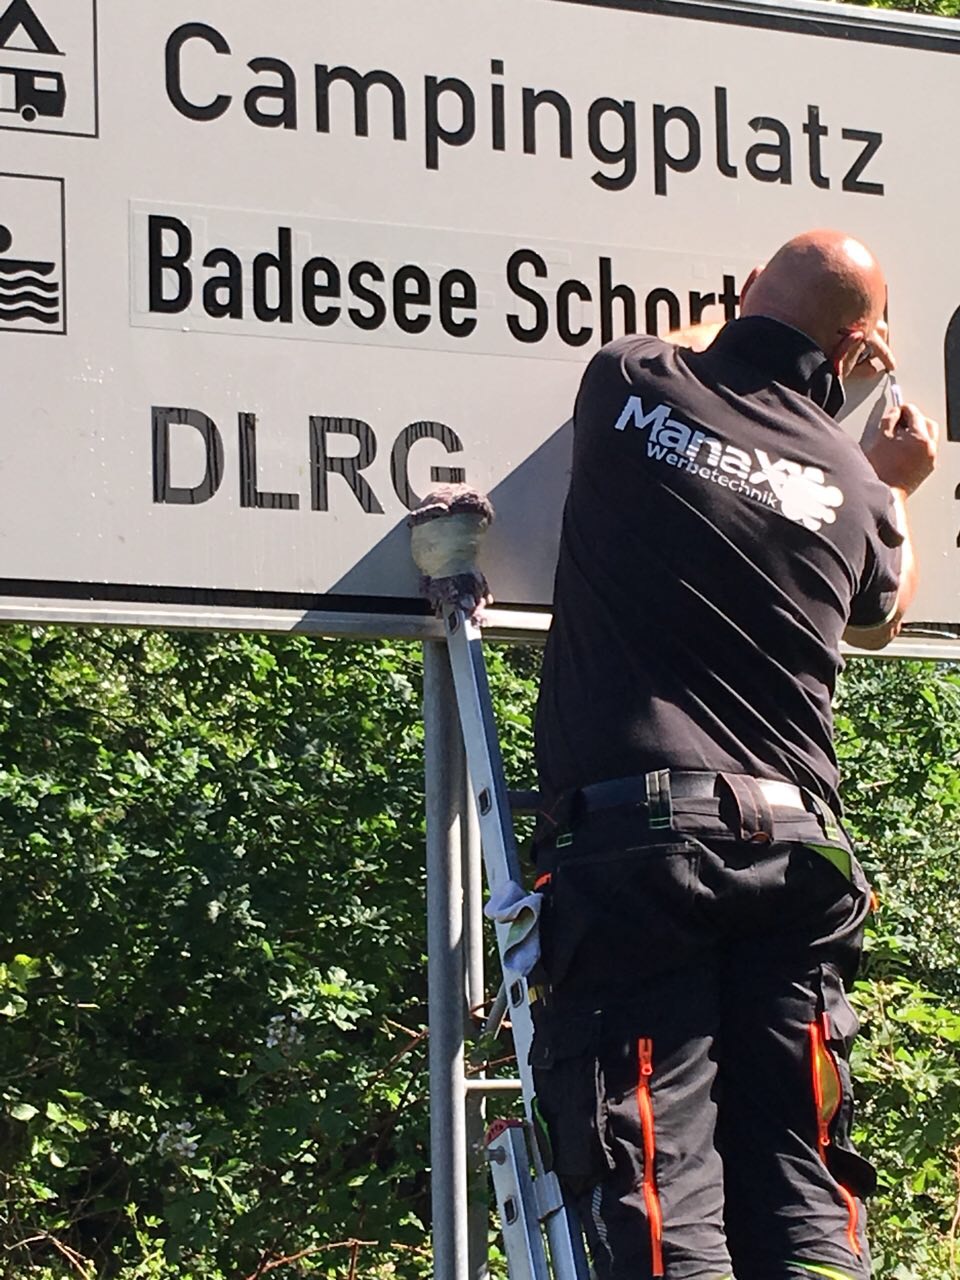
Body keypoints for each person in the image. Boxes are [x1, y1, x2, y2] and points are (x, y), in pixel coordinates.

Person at [530, 229, 939, 1280]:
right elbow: (882, 619)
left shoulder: (634, 380)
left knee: (659, 1184)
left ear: (751, 290)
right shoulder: (850, 479)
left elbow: (698, 340)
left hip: (643, 845)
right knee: (802, 1179)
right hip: (797, 854)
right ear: (855, 351)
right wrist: (895, 478)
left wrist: (756, 312)